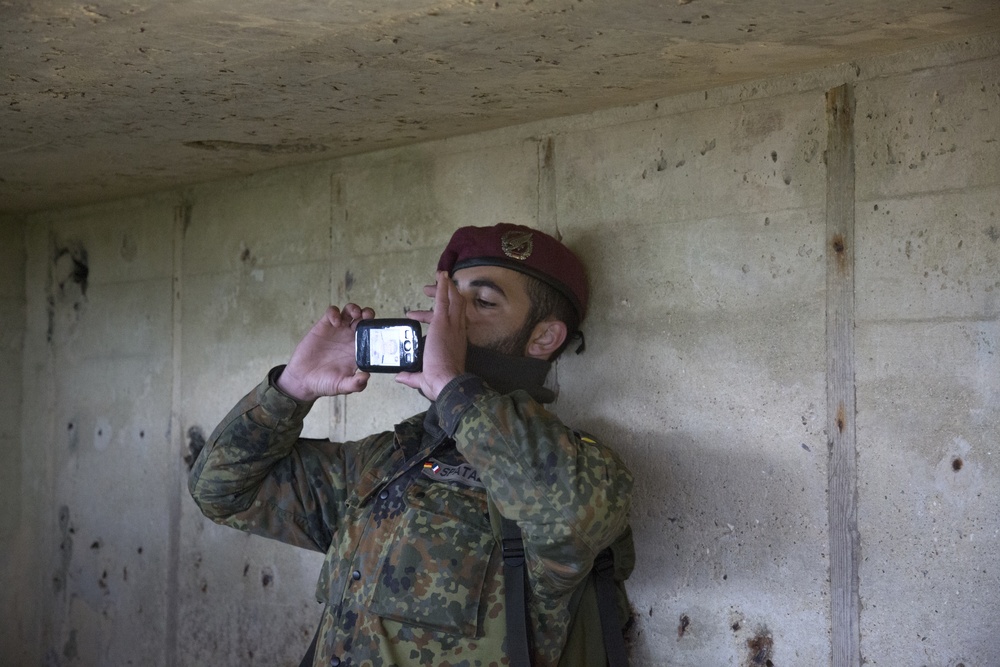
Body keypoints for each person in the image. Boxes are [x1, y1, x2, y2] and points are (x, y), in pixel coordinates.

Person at [189, 223, 634, 667]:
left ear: (543, 338)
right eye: (446, 302)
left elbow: (571, 515)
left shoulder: (579, 470)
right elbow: (221, 492)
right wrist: (290, 390)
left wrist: (454, 387)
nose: (447, 321)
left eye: (479, 303)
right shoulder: (385, 460)